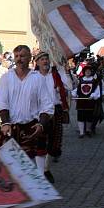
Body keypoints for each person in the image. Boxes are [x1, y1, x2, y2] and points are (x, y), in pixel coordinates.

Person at [0, 45, 55, 208]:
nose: (19, 58)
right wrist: (5, 122)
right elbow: (1, 102)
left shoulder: (37, 79)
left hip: (29, 128)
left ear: (30, 59)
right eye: (17, 55)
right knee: (7, 166)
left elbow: (46, 105)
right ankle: (11, 199)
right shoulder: (7, 78)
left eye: (23, 55)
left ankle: (17, 204)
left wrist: (41, 125)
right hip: (10, 128)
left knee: (23, 167)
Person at [34, 52, 68, 181]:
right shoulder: (33, 76)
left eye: (47, 59)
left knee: (53, 142)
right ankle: (40, 172)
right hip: (39, 112)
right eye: (42, 59)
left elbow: (68, 87)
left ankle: (46, 169)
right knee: (40, 141)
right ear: (37, 62)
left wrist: (64, 71)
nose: (45, 61)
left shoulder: (55, 75)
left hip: (55, 109)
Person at [75, 65, 103, 137]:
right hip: (81, 101)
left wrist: (93, 96)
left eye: (89, 71)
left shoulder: (94, 81)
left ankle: (88, 130)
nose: (87, 72)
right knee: (80, 116)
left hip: (90, 101)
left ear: (91, 72)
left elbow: (97, 91)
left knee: (89, 117)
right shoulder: (80, 80)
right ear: (84, 72)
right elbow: (77, 89)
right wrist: (75, 94)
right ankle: (81, 133)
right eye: (86, 71)